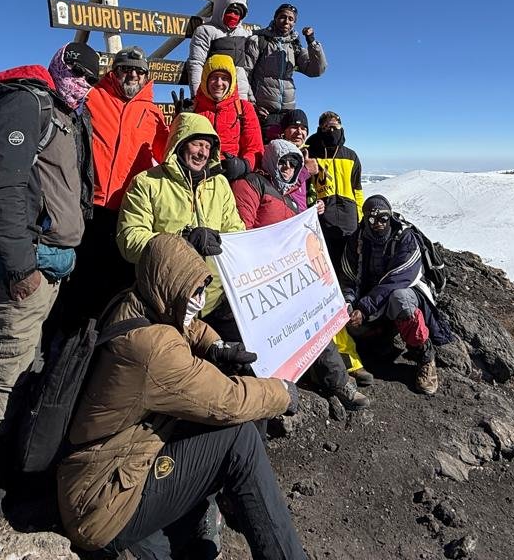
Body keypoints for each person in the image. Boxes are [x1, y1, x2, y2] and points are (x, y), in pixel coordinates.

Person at [57, 233, 307, 560]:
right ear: (168, 285)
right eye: (195, 292)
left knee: (218, 429)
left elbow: (187, 327)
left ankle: (206, 513)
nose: (200, 302)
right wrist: (282, 393)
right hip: (102, 504)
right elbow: (227, 401)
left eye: (202, 290)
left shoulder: (134, 302)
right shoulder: (154, 349)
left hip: (103, 471)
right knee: (239, 436)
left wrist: (215, 346)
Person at [0, 42, 99, 546]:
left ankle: (7, 473)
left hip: (47, 269)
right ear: (59, 65)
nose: (83, 82)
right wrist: (20, 269)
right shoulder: (27, 104)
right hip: (17, 271)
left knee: (24, 370)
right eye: (77, 72)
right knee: (4, 376)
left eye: (90, 78)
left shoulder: (65, 113)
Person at [231, 140, 368, 409]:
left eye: (294, 163)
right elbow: (240, 231)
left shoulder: (291, 197)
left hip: (287, 280)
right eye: (283, 161)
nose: (288, 167)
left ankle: (338, 383)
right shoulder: (253, 184)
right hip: (259, 281)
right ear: (271, 161)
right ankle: (278, 396)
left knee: (313, 323)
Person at [64, 45, 170, 327]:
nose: (132, 75)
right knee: (80, 275)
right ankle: (69, 334)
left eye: (138, 70)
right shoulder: (92, 96)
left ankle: (105, 337)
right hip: (88, 204)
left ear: (146, 76)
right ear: (115, 71)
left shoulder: (153, 113)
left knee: (119, 278)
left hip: (128, 210)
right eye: (125, 68)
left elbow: (167, 155)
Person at [116, 111, 246, 331]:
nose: (203, 153)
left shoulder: (220, 184)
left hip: (214, 300)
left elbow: (236, 233)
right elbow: (129, 241)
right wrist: (182, 242)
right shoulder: (147, 183)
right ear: (180, 143)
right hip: (165, 303)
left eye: (208, 147)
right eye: (197, 144)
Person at [341, 195, 455, 396]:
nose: (378, 224)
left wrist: (364, 308)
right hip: (373, 301)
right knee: (352, 327)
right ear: (365, 219)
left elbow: (397, 280)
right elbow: (348, 278)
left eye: (383, 218)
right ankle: (385, 336)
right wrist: (349, 304)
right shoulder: (357, 240)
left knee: (400, 299)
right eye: (372, 219)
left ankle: (425, 358)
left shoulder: (405, 238)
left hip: (403, 296)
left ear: (390, 216)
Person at [245, 3, 326, 139]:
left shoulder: (294, 46)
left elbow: (316, 70)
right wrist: (252, 105)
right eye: (282, 17)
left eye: (291, 19)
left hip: (287, 115)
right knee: (265, 153)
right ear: (275, 18)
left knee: (284, 155)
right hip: (263, 113)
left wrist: (311, 42)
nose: (286, 21)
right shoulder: (259, 40)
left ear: (294, 23)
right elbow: (245, 73)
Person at [192, 53, 263, 182]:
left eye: (225, 78)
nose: (219, 83)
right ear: (205, 79)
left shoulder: (244, 108)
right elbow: (171, 151)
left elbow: (255, 148)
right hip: (197, 176)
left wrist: (244, 166)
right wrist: (178, 122)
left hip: (233, 178)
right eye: (214, 77)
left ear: (232, 81)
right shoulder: (192, 109)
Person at [304, 111, 364, 265]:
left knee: (349, 263)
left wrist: (360, 218)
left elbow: (357, 190)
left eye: (334, 126)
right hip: (323, 220)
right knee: (326, 264)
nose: (330, 131)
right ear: (320, 130)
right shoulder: (310, 154)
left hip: (349, 221)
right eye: (325, 127)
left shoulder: (351, 156)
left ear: (341, 128)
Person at [185, 0, 252, 100]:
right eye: (230, 11)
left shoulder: (244, 34)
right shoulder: (205, 30)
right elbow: (196, 63)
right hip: (214, 93)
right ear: (221, 9)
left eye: (237, 13)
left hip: (240, 95)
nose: (233, 15)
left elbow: (245, 69)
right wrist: (196, 95)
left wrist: (250, 96)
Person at [277, 108, 328, 214]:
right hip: (285, 221)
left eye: (303, 128)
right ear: (284, 130)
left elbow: (305, 192)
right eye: (294, 127)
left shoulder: (305, 155)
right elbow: (278, 191)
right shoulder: (276, 155)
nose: (299, 132)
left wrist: (315, 204)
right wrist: (306, 170)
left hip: (300, 221)